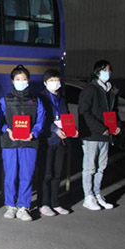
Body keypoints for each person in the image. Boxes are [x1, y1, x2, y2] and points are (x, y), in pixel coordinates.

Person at [0, 65, 45, 222]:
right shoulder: (5, 100)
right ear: (12, 81)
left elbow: (40, 120)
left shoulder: (36, 100)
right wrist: (7, 129)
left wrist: (34, 133)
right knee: (10, 175)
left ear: (28, 81)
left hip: (29, 143)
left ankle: (24, 206)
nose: (21, 82)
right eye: (18, 79)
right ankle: (11, 205)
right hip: (10, 143)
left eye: (24, 79)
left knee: (27, 175)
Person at [78, 60, 120, 211]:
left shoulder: (111, 90)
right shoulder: (90, 89)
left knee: (101, 167)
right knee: (89, 167)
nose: (108, 73)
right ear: (97, 72)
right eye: (105, 70)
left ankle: (97, 194)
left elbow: (114, 112)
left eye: (109, 70)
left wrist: (117, 126)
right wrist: (101, 128)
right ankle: (88, 197)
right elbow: (84, 112)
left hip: (106, 135)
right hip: (92, 135)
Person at [38, 69, 77, 216]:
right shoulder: (41, 98)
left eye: (57, 80)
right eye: (52, 80)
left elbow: (66, 117)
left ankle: (55, 202)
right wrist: (55, 129)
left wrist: (72, 129)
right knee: (46, 173)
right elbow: (42, 118)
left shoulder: (61, 99)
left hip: (62, 140)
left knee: (57, 173)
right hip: (47, 140)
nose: (55, 83)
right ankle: (43, 203)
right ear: (45, 83)